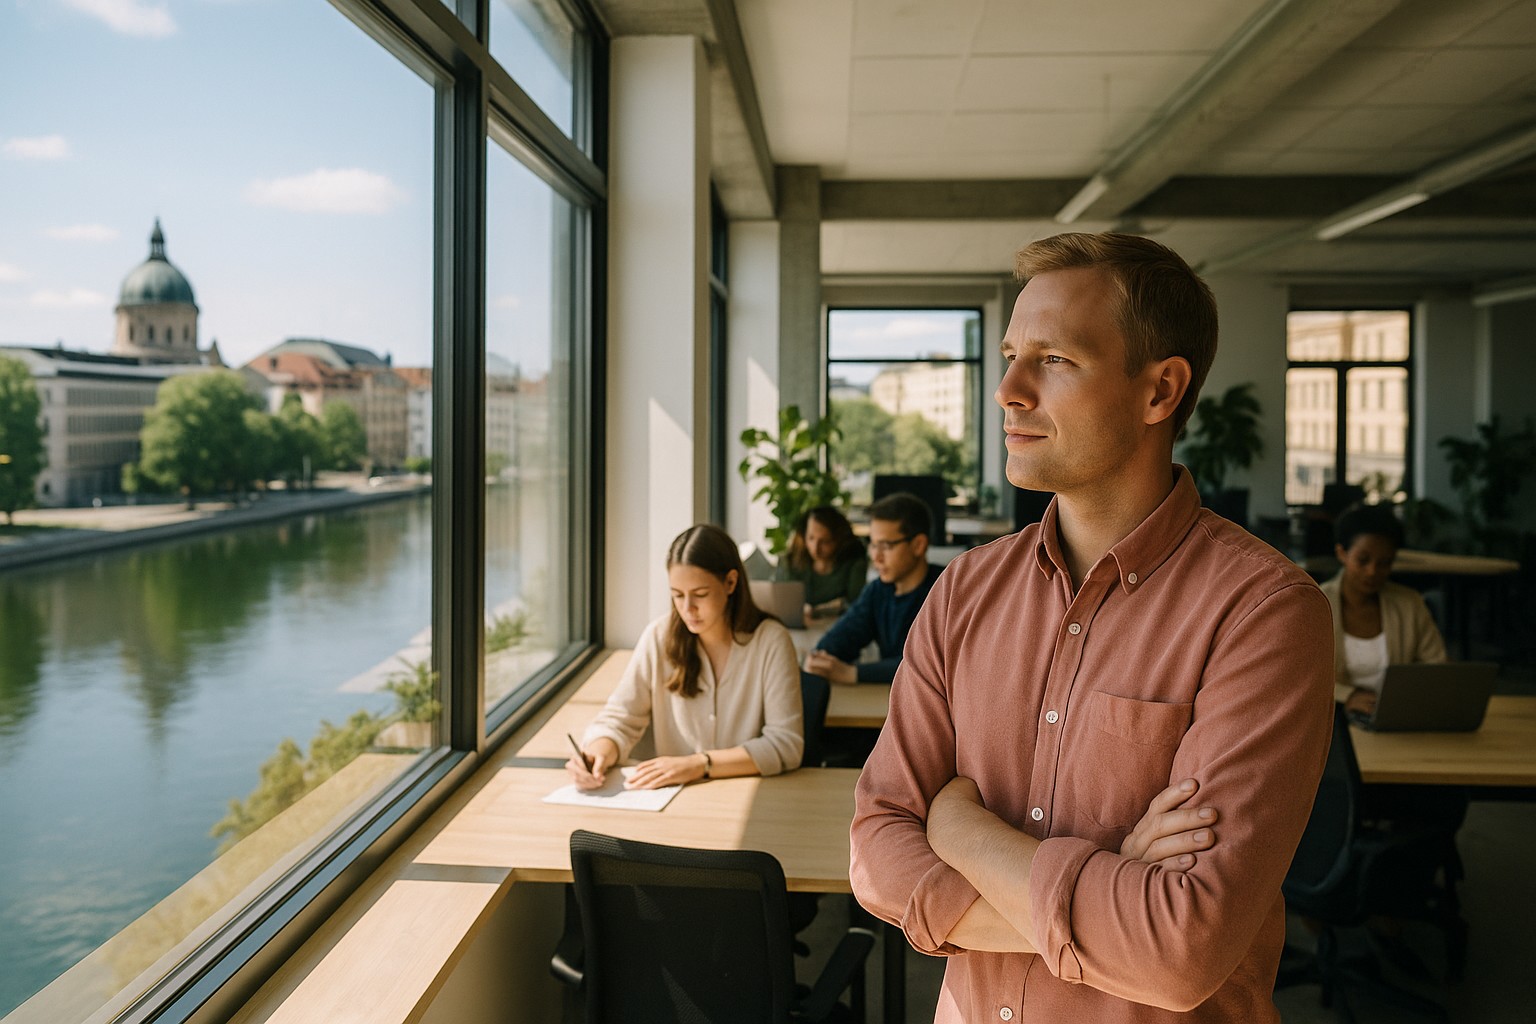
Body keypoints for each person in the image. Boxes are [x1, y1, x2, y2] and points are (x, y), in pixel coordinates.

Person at [850, 232, 1335, 1022]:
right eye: (1010, 354)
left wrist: (959, 827)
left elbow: (1180, 953)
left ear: (1159, 392)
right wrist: (1111, 884)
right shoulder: (965, 590)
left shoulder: (1265, 613)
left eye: (1054, 360)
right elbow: (876, 852)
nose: (1007, 388)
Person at [568, 523, 802, 790]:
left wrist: (700, 764)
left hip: (750, 798)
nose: (687, 608)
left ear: (730, 582)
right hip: (674, 802)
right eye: (677, 595)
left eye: (700, 595)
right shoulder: (658, 637)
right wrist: (598, 750)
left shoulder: (771, 641)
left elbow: (786, 744)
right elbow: (620, 718)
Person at [1319, 502, 1446, 715]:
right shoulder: (1317, 603)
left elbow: (1437, 667)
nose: (1372, 572)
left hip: (1399, 715)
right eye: (1363, 560)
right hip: (1333, 719)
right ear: (1342, 553)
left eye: (1385, 563)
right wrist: (1345, 695)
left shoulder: (1409, 603)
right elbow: (1294, 675)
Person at [802, 492, 942, 685]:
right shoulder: (879, 591)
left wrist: (854, 673)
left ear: (918, 545)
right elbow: (836, 642)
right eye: (873, 545)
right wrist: (820, 661)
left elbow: (926, 666)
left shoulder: (946, 593)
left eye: (885, 546)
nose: (876, 557)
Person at [778, 505, 869, 622]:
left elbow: (858, 607)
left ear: (839, 540)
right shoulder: (790, 561)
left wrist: (821, 610)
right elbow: (780, 602)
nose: (815, 548)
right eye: (811, 538)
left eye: (825, 541)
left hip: (837, 628)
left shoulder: (854, 564)